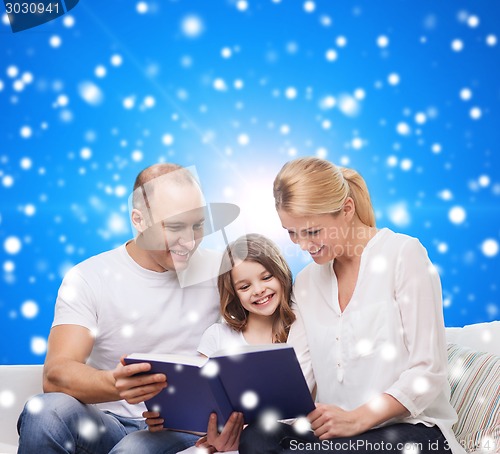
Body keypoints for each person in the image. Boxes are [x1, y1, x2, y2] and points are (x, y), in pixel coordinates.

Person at [239, 157, 466, 454]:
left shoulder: (403, 255)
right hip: (337, 436)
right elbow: (298, 375)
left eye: (312, 231)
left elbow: (428, 372)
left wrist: (357, 419)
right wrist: (240, 417)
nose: (303, 245)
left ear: (347, 210)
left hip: (413, 431)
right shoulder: (307, 282)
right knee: (258, 437)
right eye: (292, 232)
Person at [17, 163, 237, 454]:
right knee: (43, 412)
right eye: (174, 227)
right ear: (139, 220)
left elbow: (265, 335)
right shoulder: (89, 277)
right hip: (107, 422)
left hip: (183, 429)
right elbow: (56, 373)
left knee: (133, 451)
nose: (190, 240)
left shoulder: (222, 271)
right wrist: (113, 383)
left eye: (197, 224)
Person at [127, 233, 298, 453]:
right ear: (234, 293)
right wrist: (169, 419)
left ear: (281, 273)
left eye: (266, 278)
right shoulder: (218, 336)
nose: (258, 290)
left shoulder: (299, 330)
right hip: (225, 443)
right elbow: (203, 405)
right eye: (244, 287)